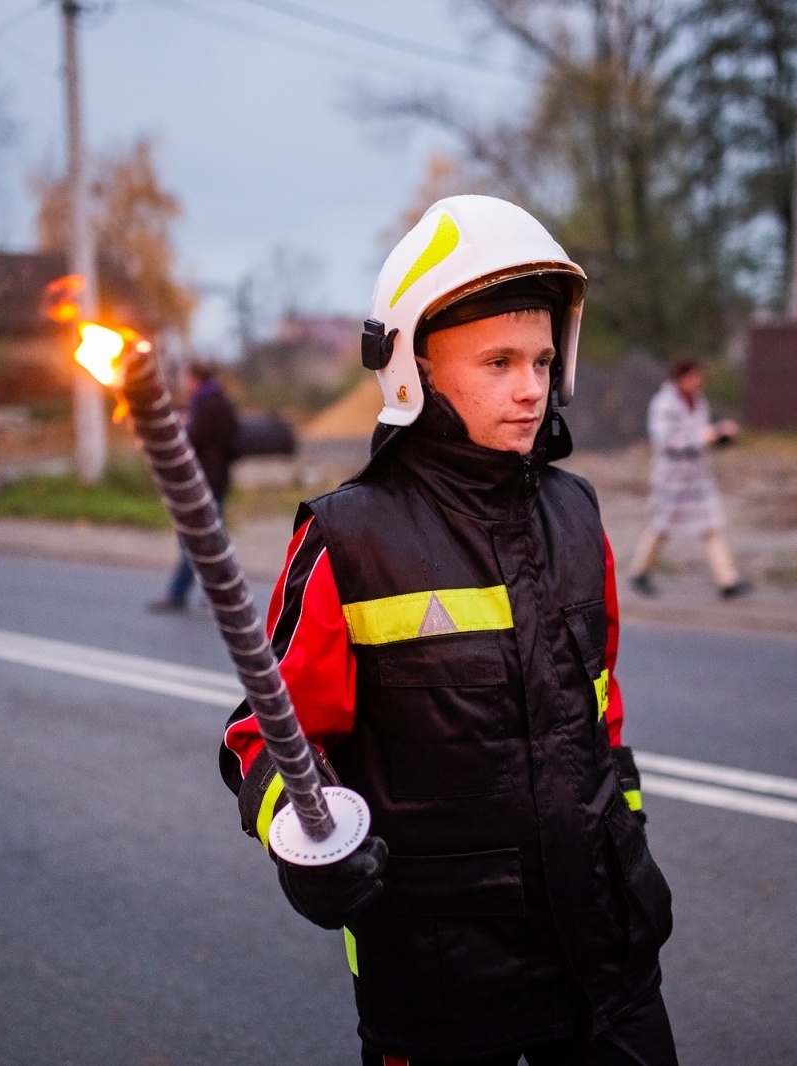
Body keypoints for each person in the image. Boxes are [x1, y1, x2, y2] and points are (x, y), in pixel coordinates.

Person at [218, 195, 677, 1065]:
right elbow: (264, 739)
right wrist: (304, 842)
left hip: (611, 970)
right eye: (498, 360)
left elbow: (602, 720)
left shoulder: (577, 513)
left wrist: (625, 846)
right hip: (446, 990)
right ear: (415, 369)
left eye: (542, 358)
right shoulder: (350, 538)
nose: (532, 386)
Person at [628, 359, 747, 600]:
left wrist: (719, 434)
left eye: (699, 379)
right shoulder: (664, 403)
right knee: (659, 526)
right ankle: (639, 572)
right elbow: (665, 440)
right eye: (692, 378)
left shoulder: (699, 401)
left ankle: (727, 580)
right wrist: (705, 436)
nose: (696, 383)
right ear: (681, 378)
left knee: (711, 525)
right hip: (671, 478)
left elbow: (701, 434)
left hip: (697, 478)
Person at [147, 360, 239, 613]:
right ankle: (218, 595)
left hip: (203, 483)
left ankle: (182, 594)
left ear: (196, 379)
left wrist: (183, 426)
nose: (185, 384)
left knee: (198, 540)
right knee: (210, 540)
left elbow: (193, 439)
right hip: (214, 481)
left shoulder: (209, 406)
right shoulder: (217, 402)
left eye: (188, 378)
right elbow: (233, 443)